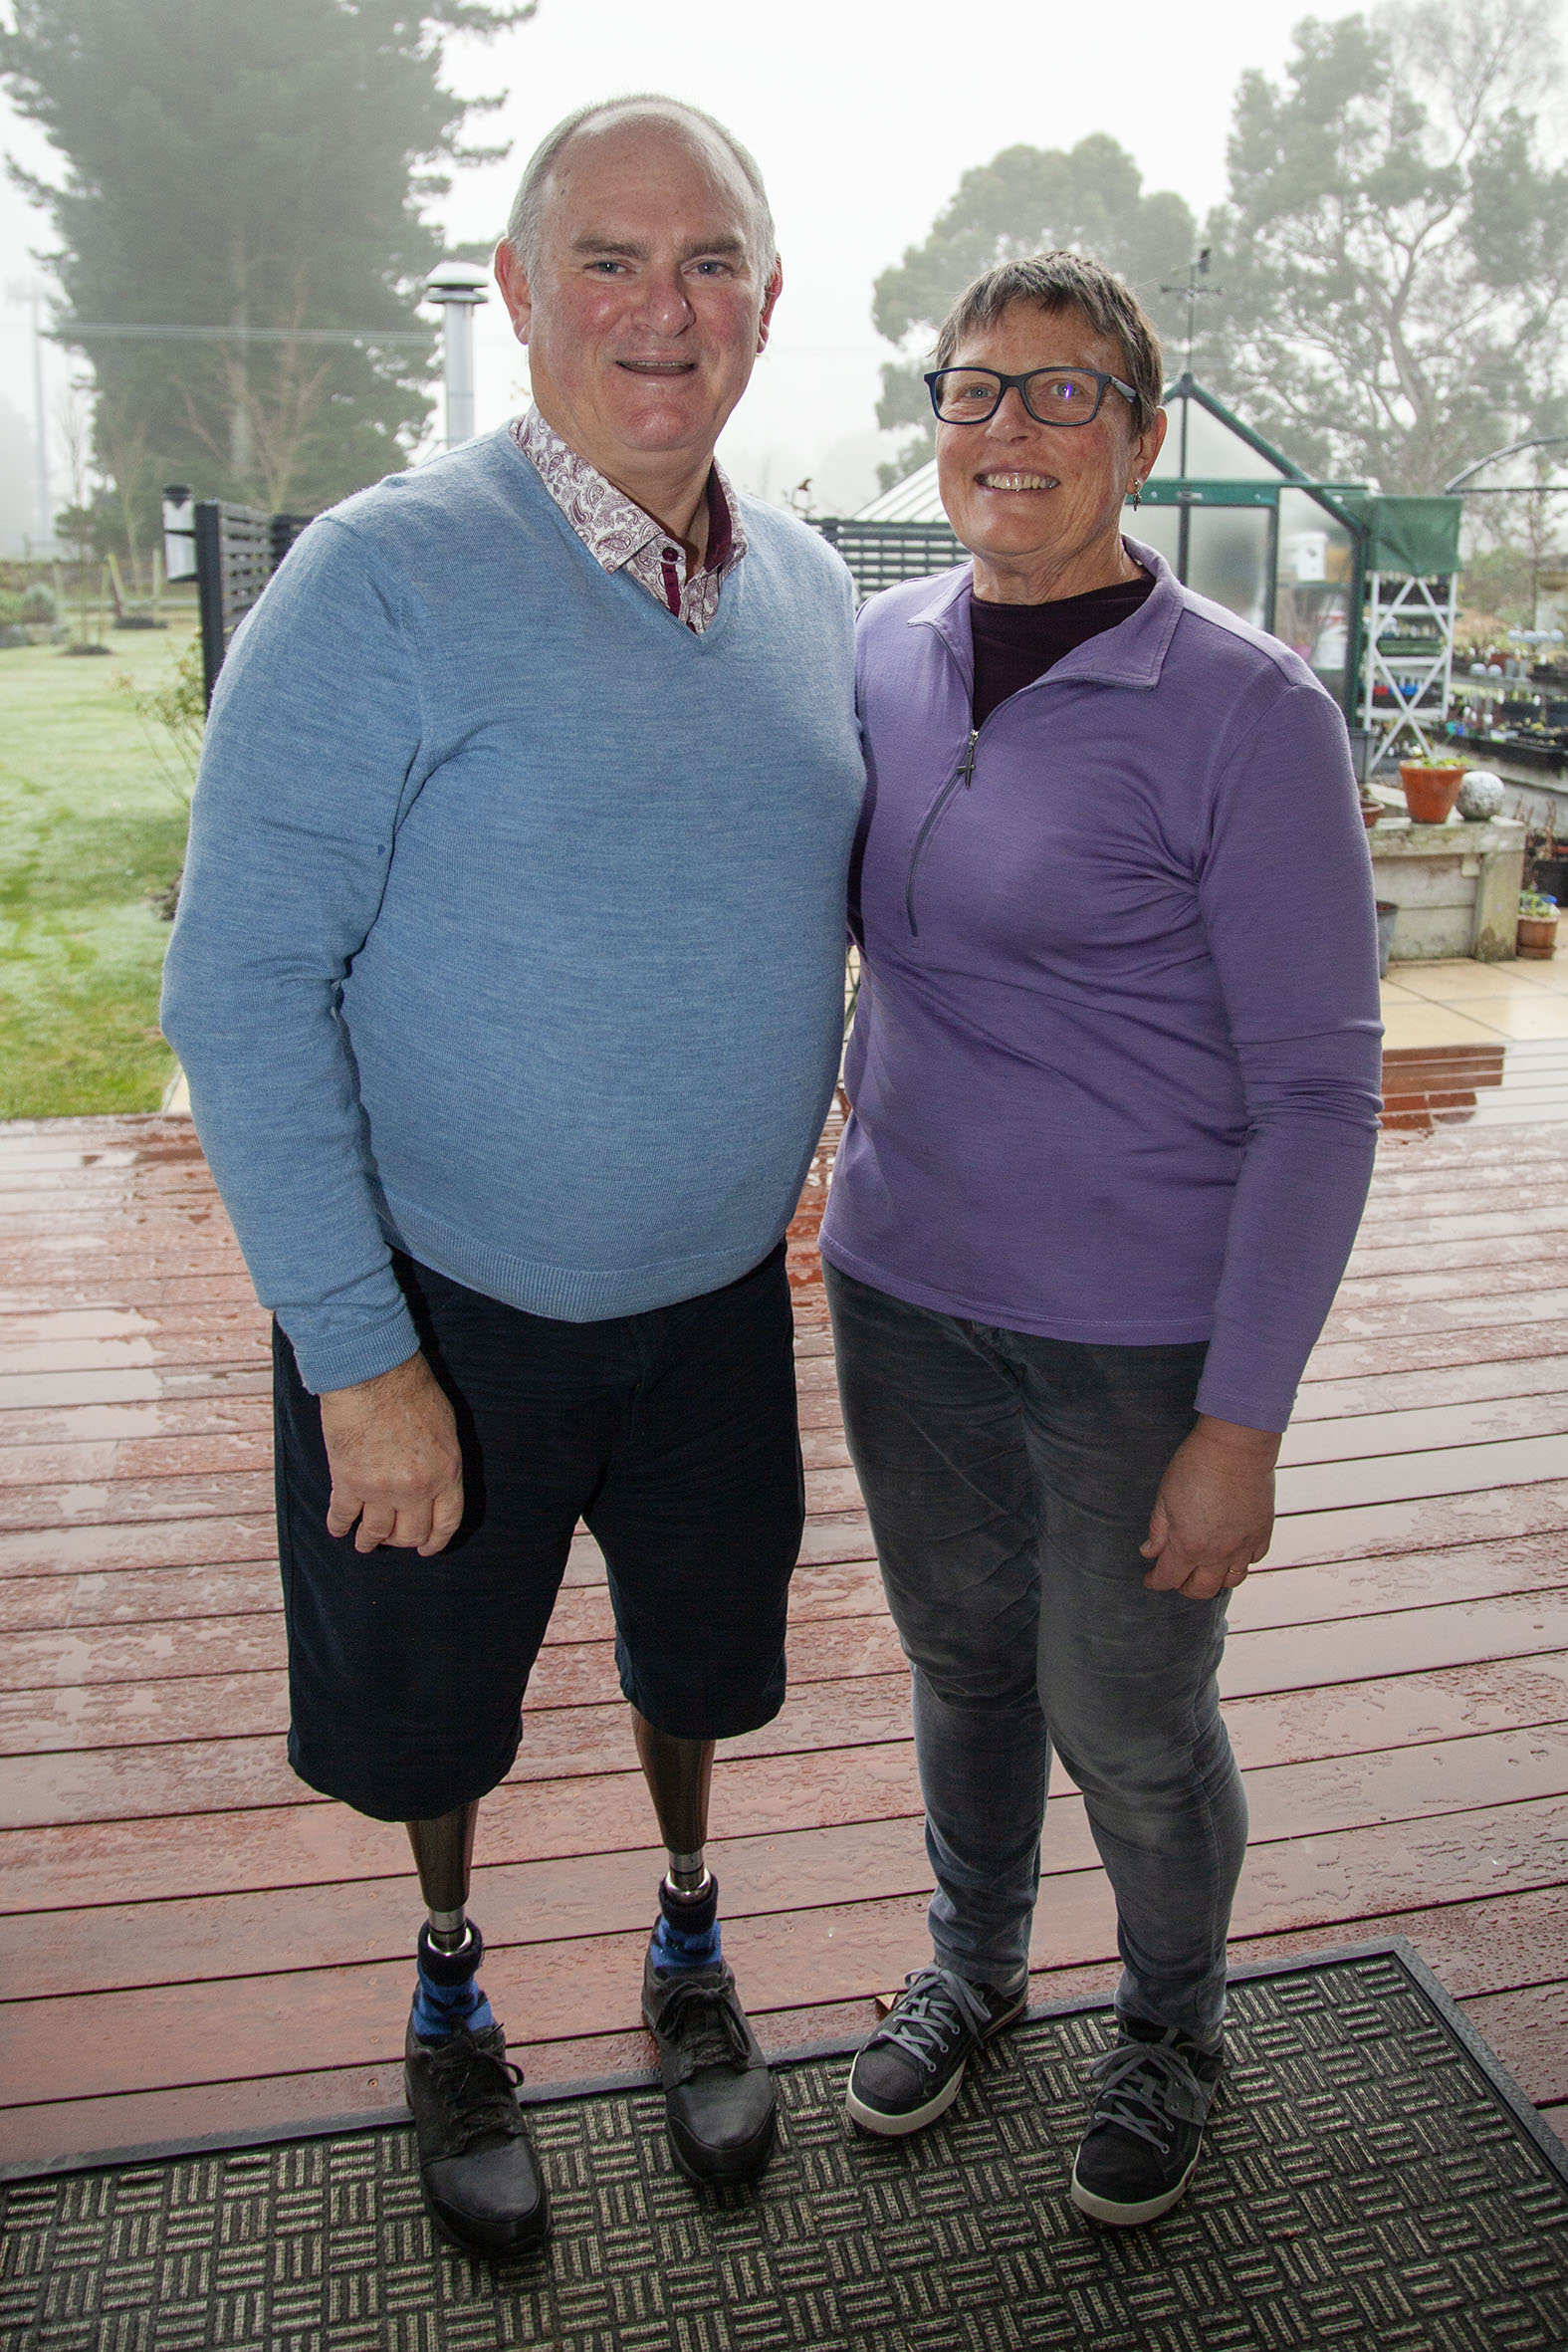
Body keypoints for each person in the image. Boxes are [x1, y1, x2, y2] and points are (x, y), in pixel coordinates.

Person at [161, 97, 863, 2258]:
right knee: (427, 1709)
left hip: (718, 1304)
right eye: (609, 259)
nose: (664, 306)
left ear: (764, 296)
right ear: (518, 291)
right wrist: (357, 1357)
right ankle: (450, 1989)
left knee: (700, 1666)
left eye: (711, 258)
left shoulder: (817, 587)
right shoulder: (376, 581)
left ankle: (681, 1939)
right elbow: (240, 983)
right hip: (439, 1308)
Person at [820, 251, 1381, 2227]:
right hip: (897, 1291)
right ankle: (972, 1964)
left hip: (1138, 1333)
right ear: (935, 425)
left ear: (1140, 439)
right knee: (962, 1659)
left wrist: (1243, 1419)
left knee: (1123, 1708)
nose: (1011, 431)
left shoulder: (1245, 711)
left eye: (1065, 397)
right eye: (975, 390)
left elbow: (1318, 1094)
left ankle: (1168, 2026)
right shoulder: (876, 646)